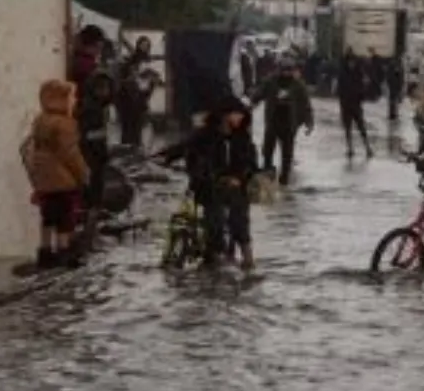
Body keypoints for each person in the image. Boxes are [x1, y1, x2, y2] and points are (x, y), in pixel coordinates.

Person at [158, 96, 258, 269]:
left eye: (242, 114)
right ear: (225, 115)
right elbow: (185, 147)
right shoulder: (205, 135)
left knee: (240, 222)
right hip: (210, 187)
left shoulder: (242, 137)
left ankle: (248, 261)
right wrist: (165, 156)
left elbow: (251, 162)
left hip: (236, 188)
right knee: (215, 222)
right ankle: (213, 260)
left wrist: (241, 178)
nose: (240, 118)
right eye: (237, 114)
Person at [23, 80, 91, 269]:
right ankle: (64, 253)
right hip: (63, 181)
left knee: (48, 217)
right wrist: (84, 174)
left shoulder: (40, 120)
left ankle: (45, 252)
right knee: (65, 218)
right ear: (61, 100)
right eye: (71, 97)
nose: (74, 100)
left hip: (44, 181)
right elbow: (70, 154)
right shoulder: (65, 124)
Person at [250, 59, 314, 184]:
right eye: (284, 70)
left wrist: (309, 123)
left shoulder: (298, 85)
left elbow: (306, 105)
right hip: (273, 120)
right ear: (279, 70)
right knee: (268, 150)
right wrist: (251, 103)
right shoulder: (271, 81)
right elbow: (259, 94)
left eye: (289, 71)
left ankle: (284, 178)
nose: (286, 73)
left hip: (289, 123)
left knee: (287, 154)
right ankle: (268, 173)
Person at [78, 72, 114, 250]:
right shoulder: (92, 109)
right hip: (93, 160)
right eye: (104, 88)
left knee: (93, 200)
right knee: (94, 200)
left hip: (93, 159)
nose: (107, 92)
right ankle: (89, 240)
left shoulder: (95, 106)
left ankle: (91, 237)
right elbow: (89, 136)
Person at [116, 37, 154, 149]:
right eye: (143, 45)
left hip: (141, 98)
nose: (144, 48)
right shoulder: (131, 61)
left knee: (138, 128)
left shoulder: (148, 61)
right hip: (128, 99)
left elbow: (150, 82)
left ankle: (136, 149)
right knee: (128, 128)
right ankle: (128, 150)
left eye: (147, 45)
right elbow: (124, 78)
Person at [338, 47, 373, 158]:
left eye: (352, 62)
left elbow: (363, 86)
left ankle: (367, 147)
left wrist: (360, 96)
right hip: (346, 104)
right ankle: (350, 148)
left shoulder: (358, 72)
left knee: (361, 127)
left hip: (355, 104)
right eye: (350, 62)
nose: (351, 64)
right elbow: (340, 89)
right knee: (348, 128)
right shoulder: (343, 72)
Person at [385, 56, 405, 122]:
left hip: (394, 85)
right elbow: (400, 77)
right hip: (394, 86)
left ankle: (393, 113)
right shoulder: (397, 66)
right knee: (394, 100)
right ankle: (393, 114)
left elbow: (400, 76)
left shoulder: (396, 66)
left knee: (393, 100)